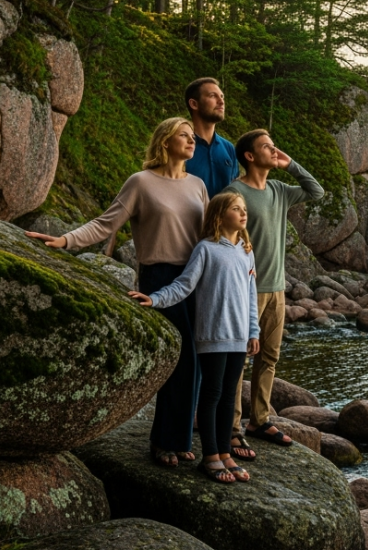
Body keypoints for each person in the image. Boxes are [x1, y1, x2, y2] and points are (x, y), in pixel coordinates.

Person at [27, 117, 208, 468]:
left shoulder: (198, 185)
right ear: (165, 141)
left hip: (196, 276)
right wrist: (64, 241)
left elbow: (210, 236)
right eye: (184, 136)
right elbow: (105, 224)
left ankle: (181, 438)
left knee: (196, 362)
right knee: (178, 358)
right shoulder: (141, 183)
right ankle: (163, 441)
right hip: (159, 275)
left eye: (192, 137)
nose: (192, 141)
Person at [129, 192, 261, 484]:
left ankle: (225, 452)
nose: (243, 213)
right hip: (213, 335)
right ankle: (210, 456)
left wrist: (254, 330)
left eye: (244, 209)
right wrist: (154, 298)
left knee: (230, 396)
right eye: (236, 209)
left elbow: (252, 294)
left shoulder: (246, 250)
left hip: (239, 337)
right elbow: (184, 285)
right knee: (212, 395)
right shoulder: (206, 249)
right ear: (218, 214)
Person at [225, 129, 324, 452]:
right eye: (267, 146)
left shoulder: (279, 190)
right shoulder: (234, 192)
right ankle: (231, 426)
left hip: (277, 288)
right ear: (250, 156)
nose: (274, 149)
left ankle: (260, 419)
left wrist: (291, 164)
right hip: (246, 289)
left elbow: (316, 191)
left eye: (274, 145)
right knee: (238, 360)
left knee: (269, 357)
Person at [183, 77, 238, 198]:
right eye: (213, 96)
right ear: (194, 104)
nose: (221, 101)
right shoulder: (180, 146)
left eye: (222, 96)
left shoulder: (229, 149)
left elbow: (234, 194)